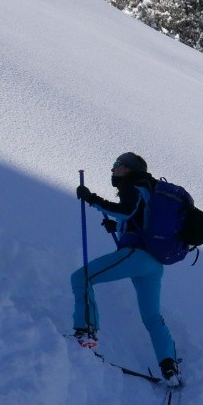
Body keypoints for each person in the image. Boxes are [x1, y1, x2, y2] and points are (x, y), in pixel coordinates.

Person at [71, 152, 180, 383]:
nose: (113, 170)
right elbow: (135, 218)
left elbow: (126, 211)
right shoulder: (149, 190)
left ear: (129, 169)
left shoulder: (135, 186)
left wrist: (92, 199)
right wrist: (118, 226)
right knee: (152, 317)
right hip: (153, 265)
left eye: (117, 165)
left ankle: (86, 332)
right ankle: (170, 366)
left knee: (81, 278)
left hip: (137, 257)